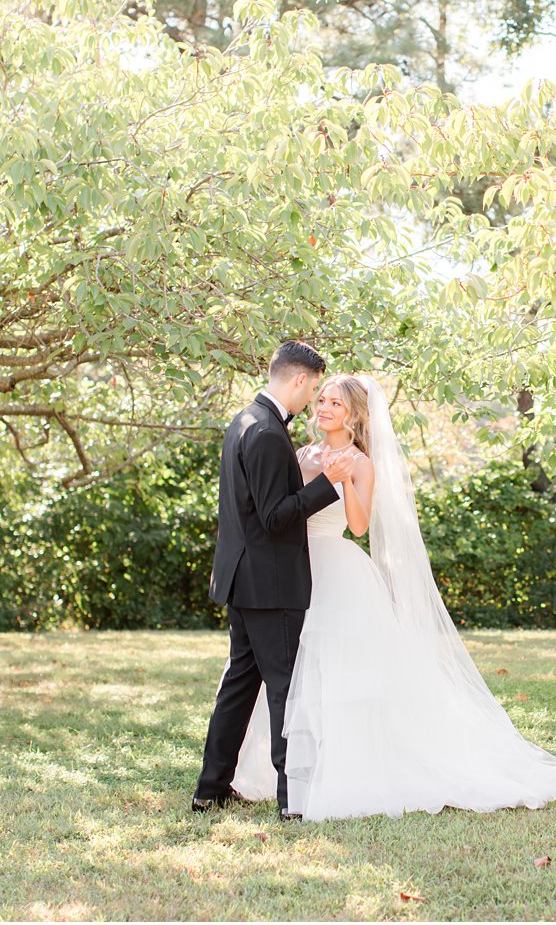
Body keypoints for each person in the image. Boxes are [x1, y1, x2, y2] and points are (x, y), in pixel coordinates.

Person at [223, 373, 556, 821]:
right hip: (289, 568)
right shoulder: (300, 453)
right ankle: (292, 772)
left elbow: (358, 526)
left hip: (334, 571)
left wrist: (340, 481)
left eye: (335, 403)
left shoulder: (360, 464)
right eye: (321, 401)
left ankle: (336, 772)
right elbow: (281, 508)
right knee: (290, 675)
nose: (323, 409)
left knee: (338, 675)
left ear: (354, 415)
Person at [192, 341, 357, 820]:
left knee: (240, 685)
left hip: (244, 580)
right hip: (270, 584)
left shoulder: (245, 420)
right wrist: (329, 485)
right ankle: (293, 800)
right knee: (286, 688)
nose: (313, 404)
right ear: (301, 381)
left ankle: (211, 788)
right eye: (313, 392)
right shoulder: (266, 432)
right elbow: (274, 518)